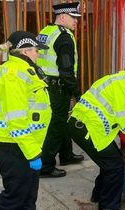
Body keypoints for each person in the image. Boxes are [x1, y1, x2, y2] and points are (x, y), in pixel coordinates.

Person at [66, 58, 125, 210]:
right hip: (89, 129)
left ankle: (98, 194)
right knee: (116, 165)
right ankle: (108, 206)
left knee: (109, 160)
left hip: (80, 124)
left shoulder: (113, 79)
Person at [0, 31, 51, 210]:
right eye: (36, 50)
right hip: (14, 147)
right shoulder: (13, 75)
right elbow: (16, 120)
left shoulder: (24, 70)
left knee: (28, 197)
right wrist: (32, 153)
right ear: (25, 51)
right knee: (14, 197)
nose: (38, 53)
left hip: (25, 145)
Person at [36, 1, 84, 178]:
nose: (76, 22)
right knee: (56, 126)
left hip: (46, 85)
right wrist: (77, 92)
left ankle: (67, 155)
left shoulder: (45, 31)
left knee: (61, 121)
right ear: (63, 17)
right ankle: (46, 166)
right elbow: (66, 70)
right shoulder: (64, 37)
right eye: (74, 18)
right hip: (58, 88)